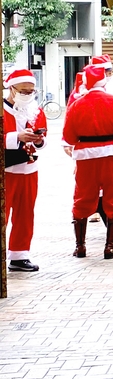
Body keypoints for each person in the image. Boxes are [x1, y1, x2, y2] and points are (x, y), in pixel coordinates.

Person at [63, 65, 113, 260]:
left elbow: (69, 136)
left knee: (83, 197)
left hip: (86, 157)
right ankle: (110, 246)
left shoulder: (76, 104)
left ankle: (80, 246)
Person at [3, 69, 47, 273]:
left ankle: (20, 254)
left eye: (31, 91)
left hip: (28, 168)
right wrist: (16, 138)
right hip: (6, 169)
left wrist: (39, 141)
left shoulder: (35, 110)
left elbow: (43, 136)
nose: (28, 95)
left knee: (25, 213)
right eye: (24, 91)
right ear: (11, 89)